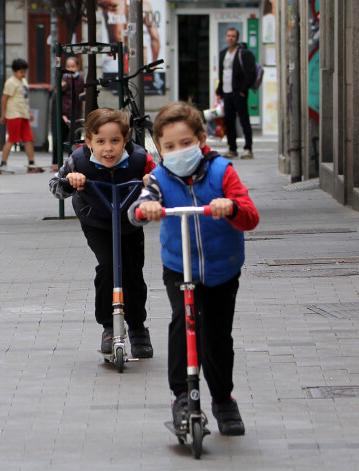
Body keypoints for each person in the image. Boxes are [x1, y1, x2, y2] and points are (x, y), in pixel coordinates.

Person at [128, 101, 259, 436]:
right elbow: (138, 207)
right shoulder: (158, 177)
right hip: (179, 267)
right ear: (159, 149)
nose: (178, 151)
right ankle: (182, 396)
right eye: (169, 146)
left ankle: (222, 398)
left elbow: (249, 215)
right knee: (183, 325)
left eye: (186, 144)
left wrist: (229, 206)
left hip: (221, 268)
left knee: (217, 337)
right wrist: (148, 209)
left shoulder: (221, 171)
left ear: (201, 139)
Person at [49, 108, 156, 358]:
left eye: (115, 141)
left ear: (126, 139)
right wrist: (69, 181)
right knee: (108, 266)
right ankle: (109, 325)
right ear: (88, 142)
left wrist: (153, 180)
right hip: (96, 219)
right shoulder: (79, 160)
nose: (108, 148)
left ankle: (138, 327)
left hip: (130, 220)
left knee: (132, 271)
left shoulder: (140, 158)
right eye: (100, 142)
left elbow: (162, 179)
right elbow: (55, 186)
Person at [215, 28, 256, 159]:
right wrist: (219, 90)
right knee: (229, 122)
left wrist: (244, 90)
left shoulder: (244, 54)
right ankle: (232, 148)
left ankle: (248, 148)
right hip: (227, 93)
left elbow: (251, 73)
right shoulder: (223, 54)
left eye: (233, 36)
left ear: (237, 38)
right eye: (228, 36)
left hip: (239, 92)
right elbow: (222, 74)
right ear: (225, 38)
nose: (230, 38)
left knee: (244, 120)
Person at [0, 58, 39, 174]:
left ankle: (31, 163)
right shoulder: (11, 82)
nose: (23, 74)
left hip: (23, 114)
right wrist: (3, 114)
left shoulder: (23, 81)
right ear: (14, 71)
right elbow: (4, 98)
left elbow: (25, 99)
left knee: (28, 138)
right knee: (12, 139)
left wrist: (29, 112)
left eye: (24, 71)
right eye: (21, 72)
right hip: (14, 114)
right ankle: (3, 164)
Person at [61, 56, 85, 150]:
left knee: (76, 136)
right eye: (68, 66)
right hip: (65, 111)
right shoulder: (63, 79)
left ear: (78, 67)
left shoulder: (80, 79)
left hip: (76, 112)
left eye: (73, 66)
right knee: (61, 136)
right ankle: (55, 161)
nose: (70, 69)